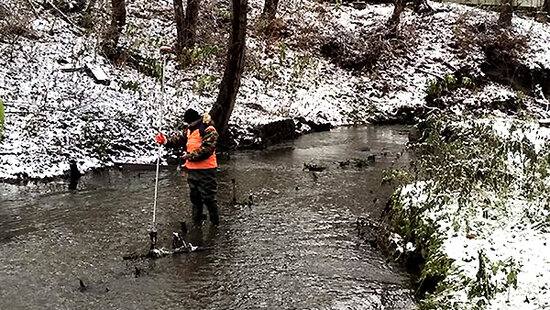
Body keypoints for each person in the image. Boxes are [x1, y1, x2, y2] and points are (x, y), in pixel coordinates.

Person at [155, 108, 220, 227]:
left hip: (206, 170)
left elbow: (207, 150)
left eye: (189, 123)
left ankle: (215, 224)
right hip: (192, 170)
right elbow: (180, 140)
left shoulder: (209, 130)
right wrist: (165, 141)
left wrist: (189, 156)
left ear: (196, 120)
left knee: (209, 198)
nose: (188, 125)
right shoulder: (189, 130)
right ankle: (196, 224)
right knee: (195, 198)